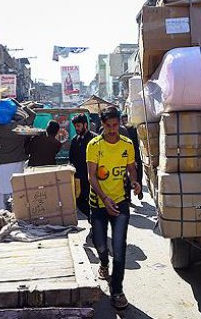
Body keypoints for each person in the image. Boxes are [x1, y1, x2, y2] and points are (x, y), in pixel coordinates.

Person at [87, 107, 142, 310]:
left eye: (115, 125)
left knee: (119, 250)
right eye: (108, 126)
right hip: (99, 203)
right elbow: (91, 177)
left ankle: (117, 291)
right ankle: (103, 263)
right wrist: (105, 198)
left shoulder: (127, 144)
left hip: (120, 203)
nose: (111, 130)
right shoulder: (94, 145)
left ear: (120, 123)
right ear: (102, 125)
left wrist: (135, 182)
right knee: (101, 245)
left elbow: (131, 169)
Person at [0, 101, 37, 210]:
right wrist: (20, 105)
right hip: (16, 161)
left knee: (1, 193)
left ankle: (0, 216)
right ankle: (18, 214)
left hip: (2, 162)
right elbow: (33, 115)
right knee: (17, 191)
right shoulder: (17, 128)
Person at [69, 114, 95, 216]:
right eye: (75, 126)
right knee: (79, 201)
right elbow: (72, 159)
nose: (76, 128)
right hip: (79, 178)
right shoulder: (75, 140)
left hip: (93, 178)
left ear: (85, 125)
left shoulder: (95, 139)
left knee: (94, 202)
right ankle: (91, 217)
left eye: (78, 126)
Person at [121, 114, 143, 191]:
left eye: (126, 120)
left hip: (135, 151)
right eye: (123, 120)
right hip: (126, 153)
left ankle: (139, 186)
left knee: (139, 168)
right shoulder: (122, 130)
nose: (125, 122)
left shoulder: (134, 128)